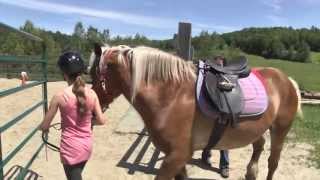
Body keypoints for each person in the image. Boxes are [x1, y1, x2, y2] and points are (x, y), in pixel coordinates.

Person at [40, 51, 107, 180]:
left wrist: (43, 128)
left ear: (64, 74)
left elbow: (44, 125)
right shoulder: (92, 94)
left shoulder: (59, 96)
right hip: (87, 147)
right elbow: (102, 120)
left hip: (70, 150)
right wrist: (90, 122)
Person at [201, 55, 229, 178]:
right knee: (207, 132)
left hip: (222, 111)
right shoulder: (207, 77)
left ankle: (224, 165)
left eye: (220, 64)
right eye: (216, 64)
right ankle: (206, 154)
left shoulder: (227, 78)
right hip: (208, 111)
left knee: (222, 135)